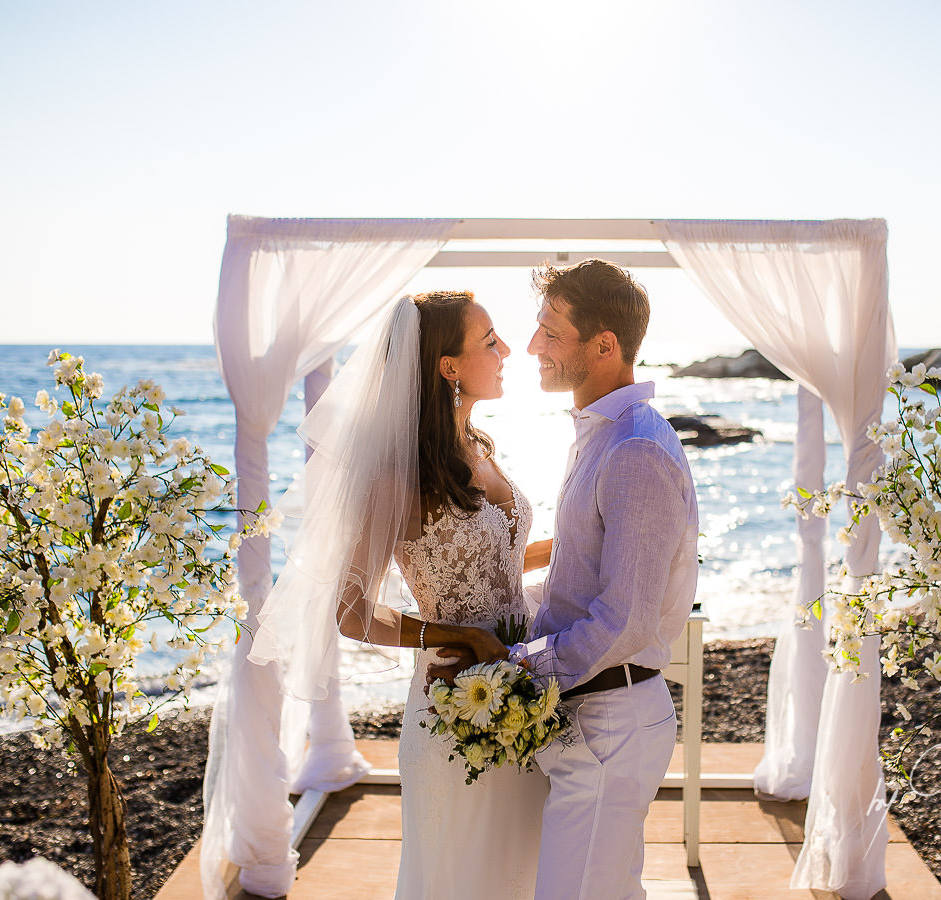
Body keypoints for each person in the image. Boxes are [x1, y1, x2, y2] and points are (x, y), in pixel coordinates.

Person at [248, 291, 550, 899]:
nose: (506, 350)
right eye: (489, 340)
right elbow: (352, 612)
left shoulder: (482, 447)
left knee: (526, 869)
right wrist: (455, 635)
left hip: (524, 694)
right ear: (448, 366)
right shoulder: (396, 476)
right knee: (461, 877)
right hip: (454, 701)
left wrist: (590, 547)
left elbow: (505, 563)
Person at [437, 259, 699, 900]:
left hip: (612, 721)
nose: (531, 347)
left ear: (604, 346)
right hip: (590, 715)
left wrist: (515, 669)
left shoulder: (634, 450)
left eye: (551, 333)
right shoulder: (600, 436)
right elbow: (574, 585)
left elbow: (626, 620)